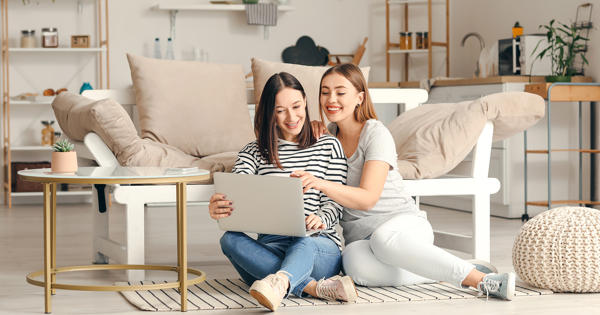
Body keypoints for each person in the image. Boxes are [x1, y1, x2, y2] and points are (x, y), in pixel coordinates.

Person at [292, 63, 515, 300]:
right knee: (353, 265)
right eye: (325, 92)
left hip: (404, 227)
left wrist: (321, 183)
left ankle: (481, 280)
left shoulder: (375, 134)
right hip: (363, 240)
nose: (331, 99)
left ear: (359, 97)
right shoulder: (326, 136)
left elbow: (368, 198)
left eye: (340, 92)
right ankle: (449, 268)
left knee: (383, 240)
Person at [208, 72, 358, 311]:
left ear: (306, 103)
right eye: (280, 110)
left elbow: (335, 201)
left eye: (296, 106)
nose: (292, 117)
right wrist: (220, 204)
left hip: (317, 247)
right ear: (270, 112)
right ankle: (312, 288)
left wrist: (320, 218)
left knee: (304, 241)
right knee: (229, 239)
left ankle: (281, 281)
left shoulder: (329, 145)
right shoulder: (255, 152)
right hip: (269, 247)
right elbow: (237, 188)